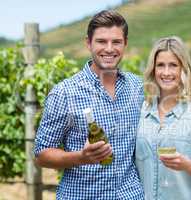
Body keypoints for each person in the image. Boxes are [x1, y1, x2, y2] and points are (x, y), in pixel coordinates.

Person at [34, 10, 144, 199]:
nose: (109, 49)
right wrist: (81, 157)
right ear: (88, 43)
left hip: (131, 195)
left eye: (116, 42)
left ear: (125, 43)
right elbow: (42, 154)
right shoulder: (65, 93)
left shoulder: (138, 87)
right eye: (101, 41)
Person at [135, 36, 191, 200]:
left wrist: (188, 165)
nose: (166, 72)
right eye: (160, 65)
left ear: (183, 69)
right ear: (153, 69)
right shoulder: (140, 112)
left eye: (173, 65)